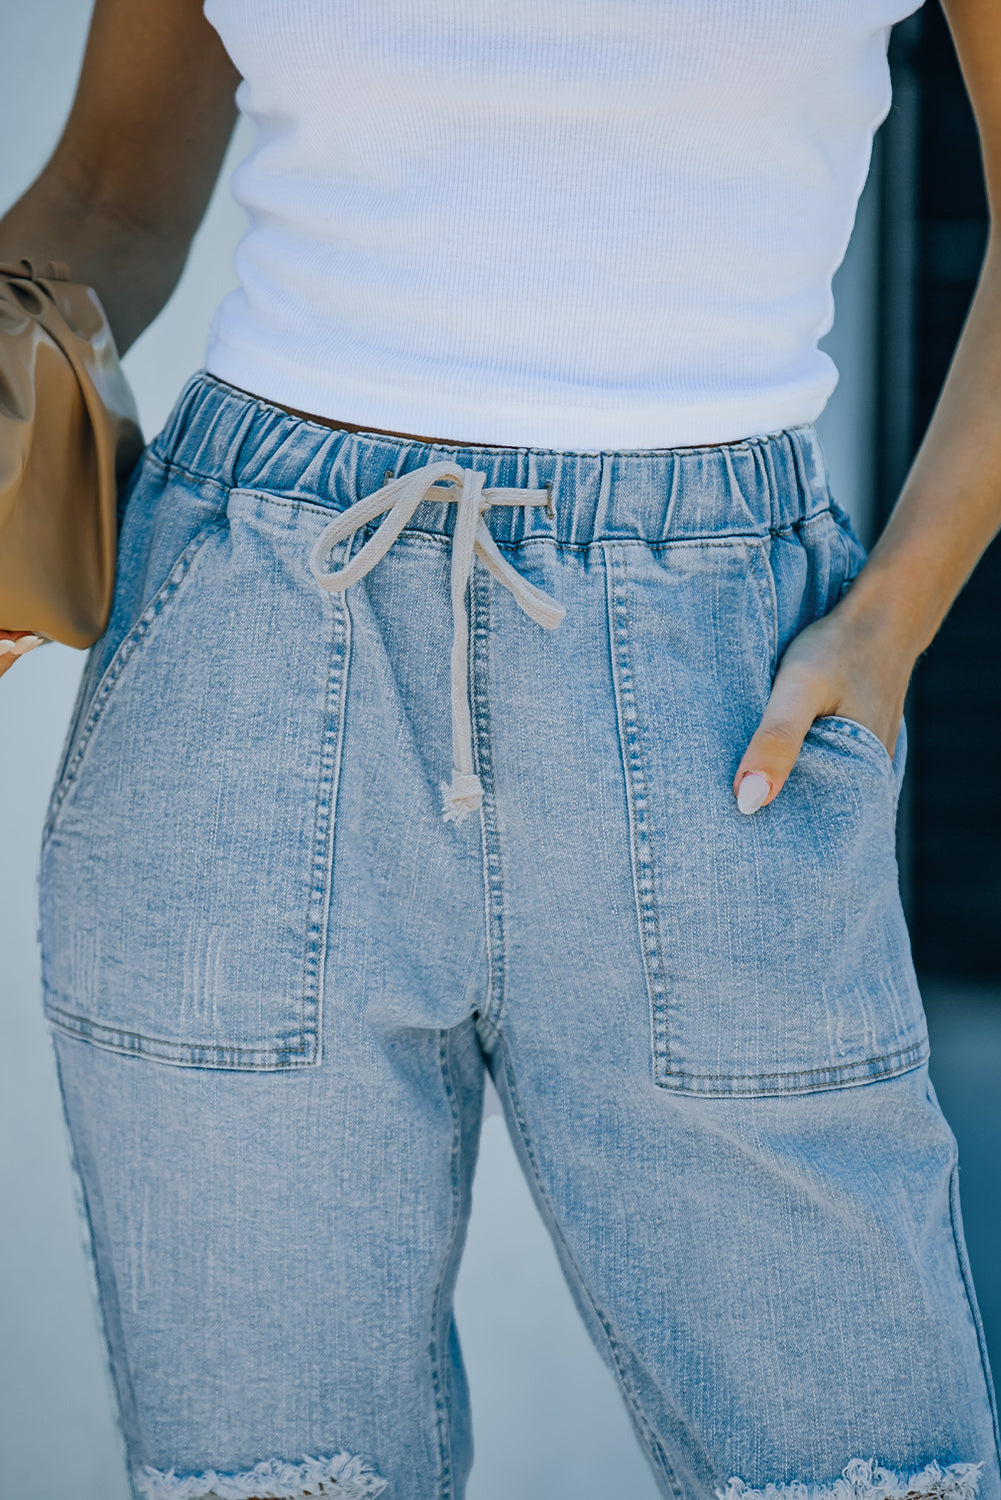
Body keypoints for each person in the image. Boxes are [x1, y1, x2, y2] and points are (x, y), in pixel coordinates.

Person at [2, 0, 999, 1496]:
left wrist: (891, 623)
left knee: (851, 1461)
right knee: (269, 1477)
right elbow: (109, 192)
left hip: (715, 677)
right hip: (247, 656)